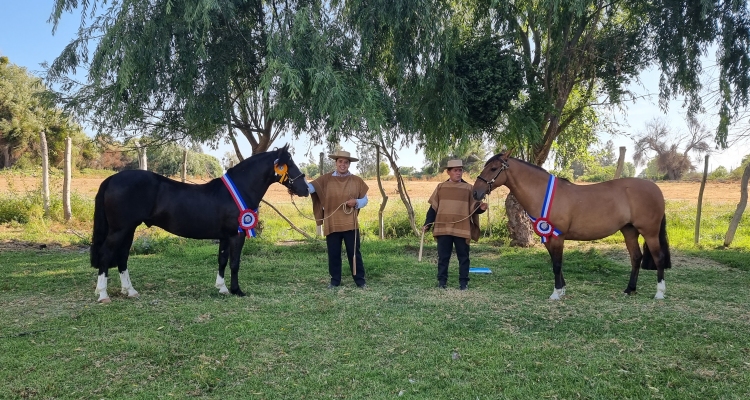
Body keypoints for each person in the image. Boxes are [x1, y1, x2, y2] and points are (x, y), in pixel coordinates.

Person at [422, 159, 488, 290]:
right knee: (443, 257)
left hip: (462, 228)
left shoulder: (469, 188)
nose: (458, 173)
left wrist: (482, 208)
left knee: (463, 257)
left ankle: (463, 283)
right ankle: (442, 282)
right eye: (455, 170)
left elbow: (474, 208)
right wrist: (428, 223)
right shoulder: (441, 187)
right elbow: (433, 208)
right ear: (448, 172)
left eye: (460, 170)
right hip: (443, 227)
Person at [309, 150, 369, 288]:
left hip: (351, 223)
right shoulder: (325, 179)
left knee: (354, 253)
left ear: (349, 164)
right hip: (332, 222)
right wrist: (296, 188)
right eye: (340, 161)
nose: (343, 164)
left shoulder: (357, 181)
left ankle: (360, 281)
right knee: (333, 253)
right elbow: (311, 188)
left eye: (346, 162)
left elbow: (365, 200)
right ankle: (335, 281)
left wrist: (357, 202)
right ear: (336, 162)